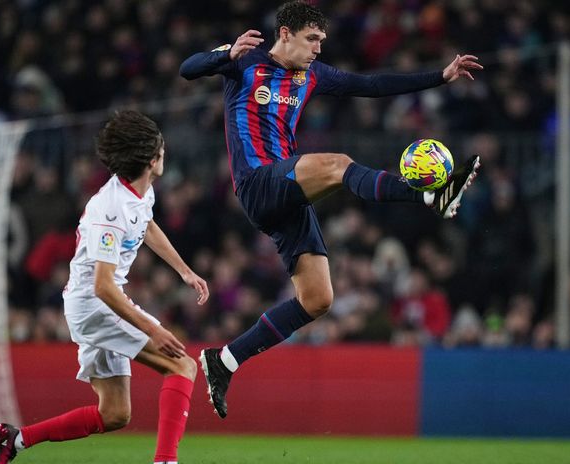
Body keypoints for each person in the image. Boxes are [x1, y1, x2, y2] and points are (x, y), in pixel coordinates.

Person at [179, 1, 482, 418]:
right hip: (258, 183)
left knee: (318, 299)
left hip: (288, 193)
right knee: (338, 164)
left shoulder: (313, 75)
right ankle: (429, 196)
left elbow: (374, 85)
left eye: (321, 40)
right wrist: (223, 55)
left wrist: (441, 76)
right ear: (285, 33)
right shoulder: (244, 60)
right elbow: (188, 68)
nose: (319, 49)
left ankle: (225, 360)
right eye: (312, 39)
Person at [0, 110, 210, 464]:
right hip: (96, 304)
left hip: (93, 302)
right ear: (152, 159)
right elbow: (104, 287)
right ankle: (166, 461)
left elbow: (146, 225)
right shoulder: (110, 207)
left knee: (114, 413)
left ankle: (15, 440)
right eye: (162, 149)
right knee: (183, 366)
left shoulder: (139, 190)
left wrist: (184, 271)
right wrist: (153, 329)